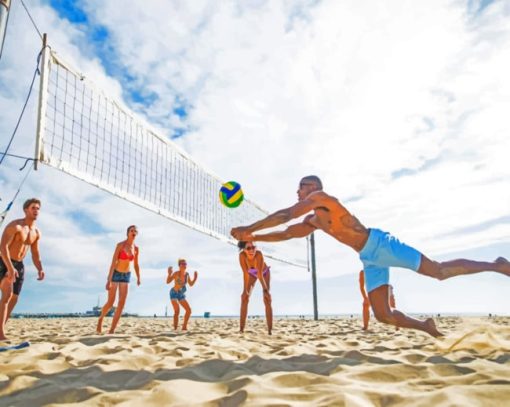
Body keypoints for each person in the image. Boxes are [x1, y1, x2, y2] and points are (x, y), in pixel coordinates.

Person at [231, 175, 510, 337]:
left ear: (312, 187)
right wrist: (252, 238)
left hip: (381, 244)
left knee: (437, 271)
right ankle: (426, 326)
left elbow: (285, 215)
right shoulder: (315, 220)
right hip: (368, 257)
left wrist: (250, 227)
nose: (297, 191)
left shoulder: (323, 199)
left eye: (301, 187)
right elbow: (288, 232)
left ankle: (496, 266)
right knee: (383, 315)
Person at [0, 198, 45, 340]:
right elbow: (3, 248)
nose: (36, 210)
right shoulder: (16, 226)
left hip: (19, 265)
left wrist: (40, 268)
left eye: (38, 208)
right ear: (26, 210)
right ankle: (1, 335)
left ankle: (0, 327)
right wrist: (9, 267)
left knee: (14, 298)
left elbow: (35, 253)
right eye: (33, 208)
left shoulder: (36, 232)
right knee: (7, 294)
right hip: (4, 261)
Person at [96, 225, 141, 334]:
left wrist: (139, 277)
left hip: (126, 276)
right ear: (127, 233)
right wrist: (109, 280)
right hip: (116, 274)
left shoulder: (136, 248)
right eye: (131, 230)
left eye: (135, 231)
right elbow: (113, 263)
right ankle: (101, 319)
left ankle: (111, 330)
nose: (133, 232)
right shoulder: (120, 245)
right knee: (111, 302)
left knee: (121, 304)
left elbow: (136, 265)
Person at [238, 241, 273, 335]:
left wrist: (266, 290)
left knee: (267, 299)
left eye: (253, 247)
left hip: (264, 273)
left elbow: (260, 274)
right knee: (244, 298)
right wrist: (245, 290)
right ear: (244, 250)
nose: (252, 250)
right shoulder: (242, 256)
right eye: (248, 248)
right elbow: (245, 274)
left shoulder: (258, 255)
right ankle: (241, 330)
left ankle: (270, 331)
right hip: (251, 274)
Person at [167, 258, 198, 331]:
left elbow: (190, 284)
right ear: (179, 265)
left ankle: (184, 327)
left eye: (185, 264)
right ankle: (175, 329)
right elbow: (168, 281)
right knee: (177, 311)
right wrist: (169, 274)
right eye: (183, 264)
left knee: (189, 310)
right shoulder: (176, 273)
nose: (184, 265)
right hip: (174, 292)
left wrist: (195, 278)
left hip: (181, 294)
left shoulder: (187, 275)